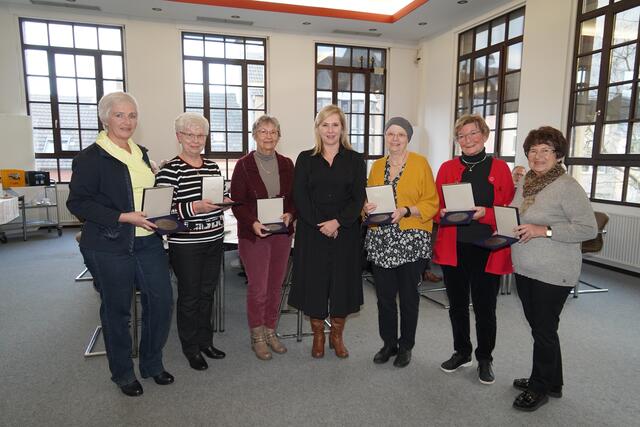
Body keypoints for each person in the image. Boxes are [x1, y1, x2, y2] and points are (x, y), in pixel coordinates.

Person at [67, 92, 174, 397]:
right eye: (119, 115)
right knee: (118, 311)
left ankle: (152, 364)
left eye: (132, 115)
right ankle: (123, 373)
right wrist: (123, 216)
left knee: (162, 302)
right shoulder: (91, 157)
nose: (127, 121)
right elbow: (78, 203)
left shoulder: (140, 152)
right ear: (105, 118)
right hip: (109, 244)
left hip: (148, 240)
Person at [510, 126, 597, 411]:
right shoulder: (528, 182)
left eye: (545, 150)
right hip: (525, 266)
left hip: (554, 271)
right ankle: (552, 381)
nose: (538, 156)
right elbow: (515, 208)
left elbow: (587, 229)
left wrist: (543, 230)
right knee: (541, 328)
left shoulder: (568, 187)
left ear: (557, 155)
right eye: (533, 150)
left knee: (544, 330)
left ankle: (539, 388)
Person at [433, 113, 514, 385]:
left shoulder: (500, 168)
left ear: (484, 135)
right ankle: (462, 351)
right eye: (462, 135)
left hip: (487, 247)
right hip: (453, 246)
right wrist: (440, 212)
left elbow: (507, 212)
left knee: (484, 307)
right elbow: (435, 208)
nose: (467, 139)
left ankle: (485, 358)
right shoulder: (446, 168)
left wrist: (486, 214)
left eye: (472, 133)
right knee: (456, 305)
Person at [288, 104, 366, 359]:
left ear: (342, 128)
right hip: (313, 232)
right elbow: (300, 196)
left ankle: (337, 337)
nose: (330, 130)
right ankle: (319, 336)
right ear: (318, 128)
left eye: (335, 125)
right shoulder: (305, 158)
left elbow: (357, 198)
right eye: (325, 125)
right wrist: (322, 224)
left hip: (346, 233)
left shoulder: (355, 159)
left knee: (342, 285)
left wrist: (338, 223)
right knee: (315, 284)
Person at [155, 112, 229, 371]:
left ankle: (205, 341)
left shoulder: (212, 167)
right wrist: (193, 208)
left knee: (207, 293)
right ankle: (191, 348)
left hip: (214, 238)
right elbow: (161, 213)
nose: (196, 140)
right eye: (190, 134)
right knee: (190, 296)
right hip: (186, 245)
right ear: (179, 137)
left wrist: (226, 202)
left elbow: (221, 195)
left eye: (201, 135)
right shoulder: (169, 171)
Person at [363, 117, 439, 367]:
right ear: (385, 136)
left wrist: (407, 210)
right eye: (390, 134)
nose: (395, 139)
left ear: (408, 138)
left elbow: (432, 202)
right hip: (381, 238)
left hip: (410, 237)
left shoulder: (420, 164)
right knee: (384, 297)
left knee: (408, 297)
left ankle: (406, 345)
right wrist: (366, 207)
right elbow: (371, 198)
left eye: (401, 135)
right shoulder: (376, 166)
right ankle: (389, 344)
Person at [230, 115, 295, 361]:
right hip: (254, 235)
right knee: (258, 288)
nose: (268, 136)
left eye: (273, 132)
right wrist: (253, 223)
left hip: (281, 234)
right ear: (254, 135)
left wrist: (291, 213)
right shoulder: (243, 165)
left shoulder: (288, 164)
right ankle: (257, 336)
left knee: (275, 287)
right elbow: (237, 203)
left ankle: (270, 331)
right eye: (263, 131)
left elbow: (294, 199)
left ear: (279, 136)